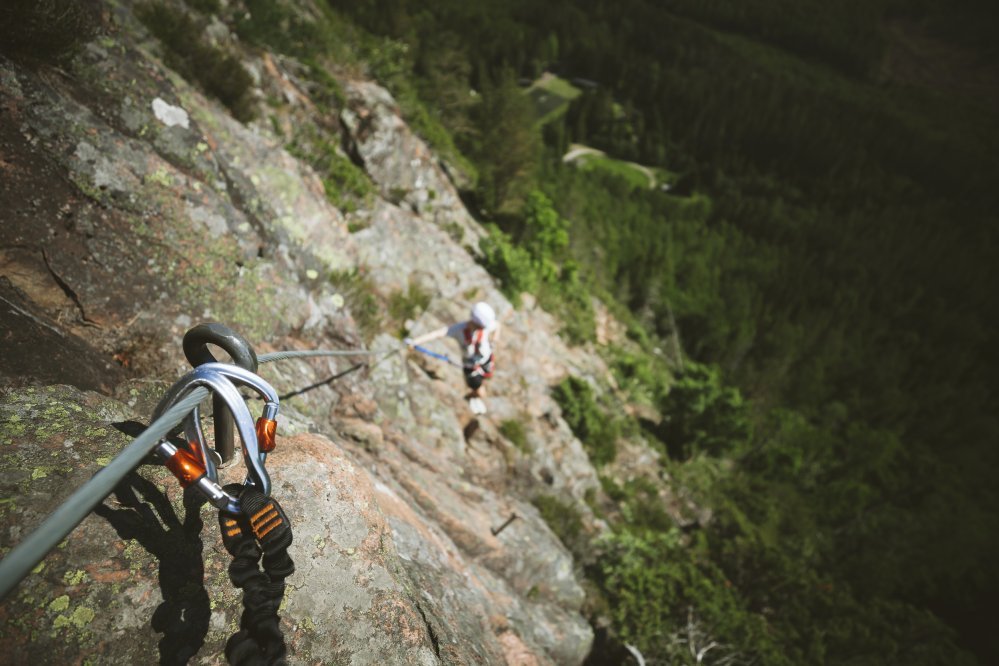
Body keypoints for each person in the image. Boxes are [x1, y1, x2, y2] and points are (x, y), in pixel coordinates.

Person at [405, 302, 500, 414]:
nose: (483, 329)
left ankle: (475, 396)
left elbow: (498, 325)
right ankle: (470, 397)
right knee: (480, 392)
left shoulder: (485, 326)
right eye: (481, 327)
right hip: (471, 367)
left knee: (487, 378)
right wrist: (415, 342)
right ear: (476, 323)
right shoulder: (459, 330)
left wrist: (494, 341)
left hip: (486, 359)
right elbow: (438, 333)